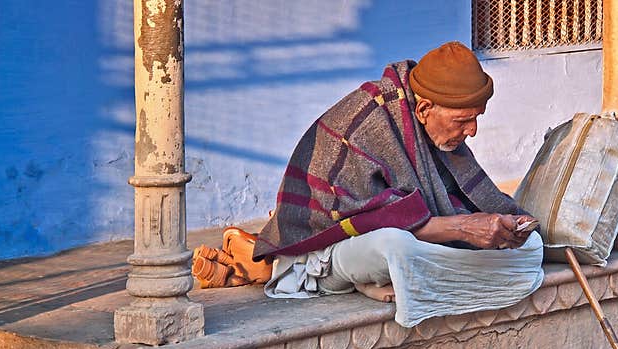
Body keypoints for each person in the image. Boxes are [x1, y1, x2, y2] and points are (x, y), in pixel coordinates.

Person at [196, 41, 545, 328]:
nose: (472, 132)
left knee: (529, 252)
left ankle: (380, 280)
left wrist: (502, 224)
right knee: (395, 246)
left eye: (477, 119)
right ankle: (283, 265)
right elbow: (356, 221)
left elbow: (464, 195)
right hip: (334, 244)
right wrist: (464, 228)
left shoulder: (430, 126)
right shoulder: (362, 123)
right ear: (424, 108)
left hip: (396, 239)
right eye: (464, 121)